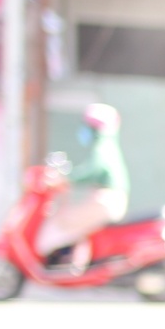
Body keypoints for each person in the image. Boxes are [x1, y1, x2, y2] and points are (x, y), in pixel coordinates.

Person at [39, 103, 130, 271]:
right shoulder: (106, 146)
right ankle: (71, 263)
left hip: (105, 201)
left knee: (63, 222)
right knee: (79, 229)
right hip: (107, 201)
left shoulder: (102, 147)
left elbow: (94, 170)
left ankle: (59, 263)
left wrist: (68, 177)